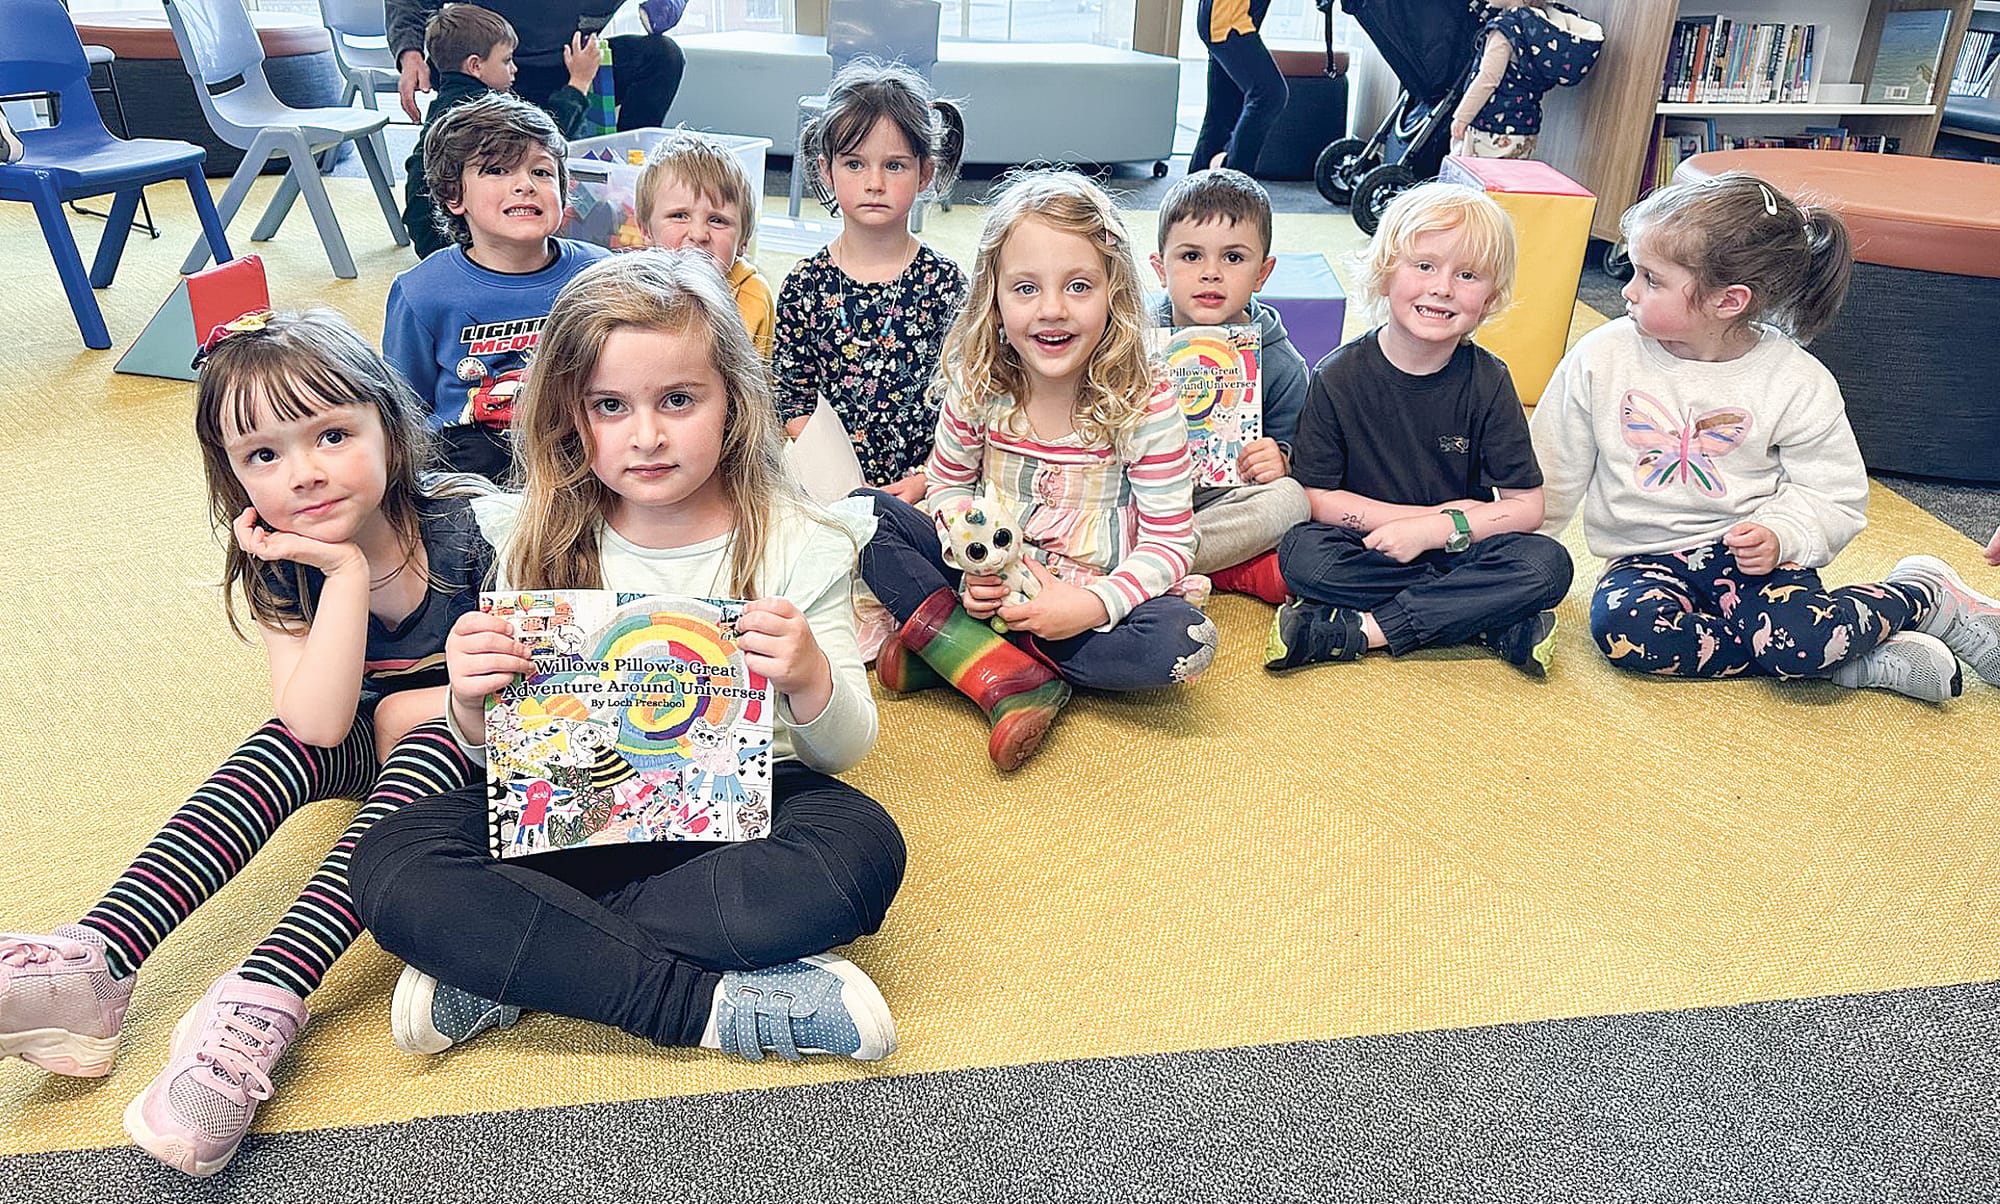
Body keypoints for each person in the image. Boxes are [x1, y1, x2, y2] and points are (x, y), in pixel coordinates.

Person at [350, 249, 906, 1065]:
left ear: (734, 405)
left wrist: (811, 679)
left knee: (860, 853)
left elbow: (845, 749)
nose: (645, 435)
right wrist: (470, 705)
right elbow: (499, 757)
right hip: (572, 815)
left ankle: (523, 962)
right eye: (610, 405)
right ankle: (710, 1008)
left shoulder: (798, 546)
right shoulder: (535, 534)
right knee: (392, 862)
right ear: (571, 417)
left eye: (679, 400)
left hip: (747, 809)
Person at [0, 311, 490, 1178]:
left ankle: (262, 1002)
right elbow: (315, 723)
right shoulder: (281, 557)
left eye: (332, 434)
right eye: (262, 455)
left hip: (478, 755)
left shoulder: (470, 528)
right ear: (230, 473)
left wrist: (430, 707)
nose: (302, 473)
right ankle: (96, 964)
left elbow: (525, 700)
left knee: (424, 734)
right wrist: (338, 574)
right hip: (362, 735)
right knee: (278, 745)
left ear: (391, 422)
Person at [1531, 171, 2000, 699]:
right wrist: (1522, 560)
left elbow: (1836, 495)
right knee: (1629, 639)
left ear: (1728, 301)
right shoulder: (1601, 356)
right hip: (1644, 561)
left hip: (1756, 559)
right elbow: (1553, 465)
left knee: (1799, 636)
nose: (1628, 291)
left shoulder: (1796, 380)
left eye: (1651, 279)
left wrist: (1782, 535)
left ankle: (1925, 596)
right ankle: (1835, 662)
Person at [855, 170, 1220, 772]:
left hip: (1083, 597)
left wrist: (1090, 606)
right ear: (993, 300)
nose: (1052, 311)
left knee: (1183, 644)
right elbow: (946, 486)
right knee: (860, 514)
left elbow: (1169, 542)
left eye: (1078, 286)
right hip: (985, 579)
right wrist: (973, 562)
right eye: (1025, 289)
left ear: (1114, 295)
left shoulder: (1145, 398)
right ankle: (1000, 664)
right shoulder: (978, 385)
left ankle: (956, 648)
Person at [1267, 182, 1572, 675]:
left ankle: (1363, 632)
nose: (1442, 287)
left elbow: (1528, 506)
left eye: (1467, 274)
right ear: (1386, 274)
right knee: (1302, 557)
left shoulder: (1489, 381)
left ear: (1490, 298)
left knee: (1547, 565)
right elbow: (1316, 496)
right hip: (1369, 546)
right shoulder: (1336, 375)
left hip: (1458, 547)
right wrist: (1406, 525)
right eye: (1424, 266)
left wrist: (1437, 529)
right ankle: (1488, 620)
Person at [385, 93, 612, 481]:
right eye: (497, 171)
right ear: (454, 195)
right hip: (471, 461)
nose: (525, 185)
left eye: (541, 173)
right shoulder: (422, 292)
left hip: (579, 442)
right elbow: (403, 408)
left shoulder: (601, 273)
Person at [771, 60, 967, 500]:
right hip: (827, 488)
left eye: (894, 166)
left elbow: (970, 394)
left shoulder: (947, 284)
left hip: (932, 484)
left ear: (925, 173)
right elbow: (792, 399)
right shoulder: (804, 285)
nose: (874, 182)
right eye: (855, 164)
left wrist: (929, 477)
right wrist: (838, 480)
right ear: (827, 170)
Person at [1149, 168, 1311, 604]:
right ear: (1159, 268)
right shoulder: (1129, 336)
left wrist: (1280, 458)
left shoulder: (1281, 362)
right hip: (1134, 497)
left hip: (1218, 505)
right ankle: (1220, 568)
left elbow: (1299, 448)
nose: (1211, 273)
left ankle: (1149, 562)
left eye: (1234, 258)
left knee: (1292, 501)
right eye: (1191, 256)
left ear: (1263, 273)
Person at [402, 3, 599, 259]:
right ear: (475, 66)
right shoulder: (488, 113)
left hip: (428, 236)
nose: (514, 69)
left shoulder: (444, 106)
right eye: (506, 60)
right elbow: (550, 137)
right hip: (452, 242)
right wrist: (579, 83)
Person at [389, 0, 685, 134]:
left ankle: (633, 171)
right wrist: (410, 53)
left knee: (662, 57)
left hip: (573, 64)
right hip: (494, 71)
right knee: (450, 64)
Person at [636, 130, 776, 355]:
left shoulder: (753, 295)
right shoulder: (630, 292)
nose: (699, 234)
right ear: (645, 230)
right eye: (679, 216)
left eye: (717, 220)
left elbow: (758, 384)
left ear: (743, 241)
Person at [1449, 0, 1604, 161]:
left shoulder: (1504, 29)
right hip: (1525, 131)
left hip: (1490, 127)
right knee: (1509, 183)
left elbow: (1488, 79)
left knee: (1480, 182)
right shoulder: (1542, 26)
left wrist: (1462, 118)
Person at [1187, 0, 1286, 175]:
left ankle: (1191, 197)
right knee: (1269, 94)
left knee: (1221, 117)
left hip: (1225, 19)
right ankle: (1235, 183)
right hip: (1228, 21)